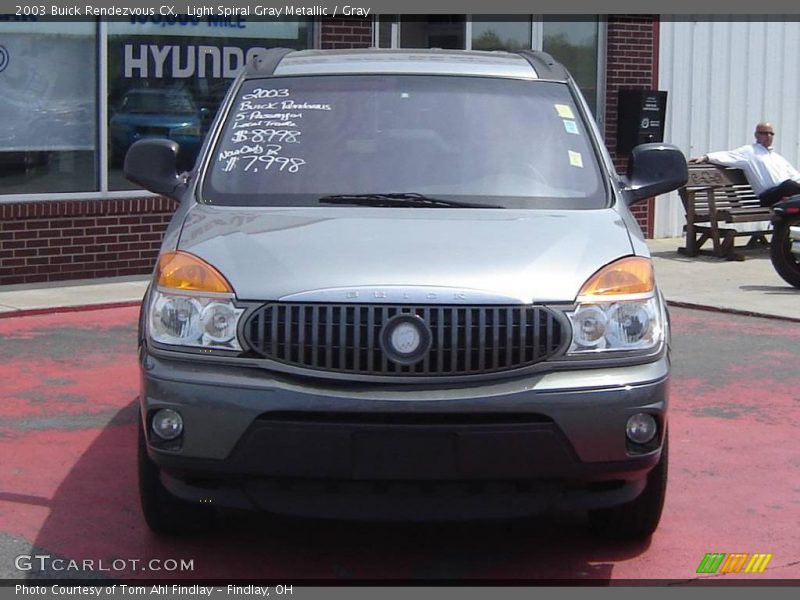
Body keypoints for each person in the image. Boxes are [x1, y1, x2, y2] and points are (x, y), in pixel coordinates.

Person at [689, 122, 800, 207]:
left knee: (791, 187)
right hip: (769, 197)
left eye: (771, 133)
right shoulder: (749, 152)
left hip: (787, 194)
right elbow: (728, 155)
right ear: (756, 135)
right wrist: (706, 157)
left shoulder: (776, 157)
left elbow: (795, 176)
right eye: (764, 133)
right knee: (790, 185)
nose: (768, 136)